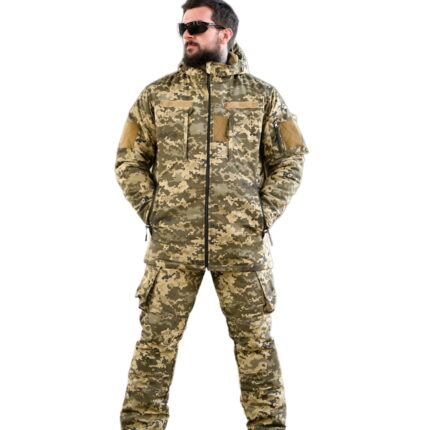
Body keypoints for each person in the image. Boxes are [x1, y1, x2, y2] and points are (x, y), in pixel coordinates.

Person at [114, 0, 309, 428]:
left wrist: (262, 213)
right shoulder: (157, 95)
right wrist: (154, 210)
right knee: (154, 347)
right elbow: (129, 160)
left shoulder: (262, 96)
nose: (187, 34)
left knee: (256, 346)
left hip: (242, 245)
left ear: (225, 33)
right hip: (173, 246)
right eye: (182, 27)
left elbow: (291, 159)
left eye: (198, 26)